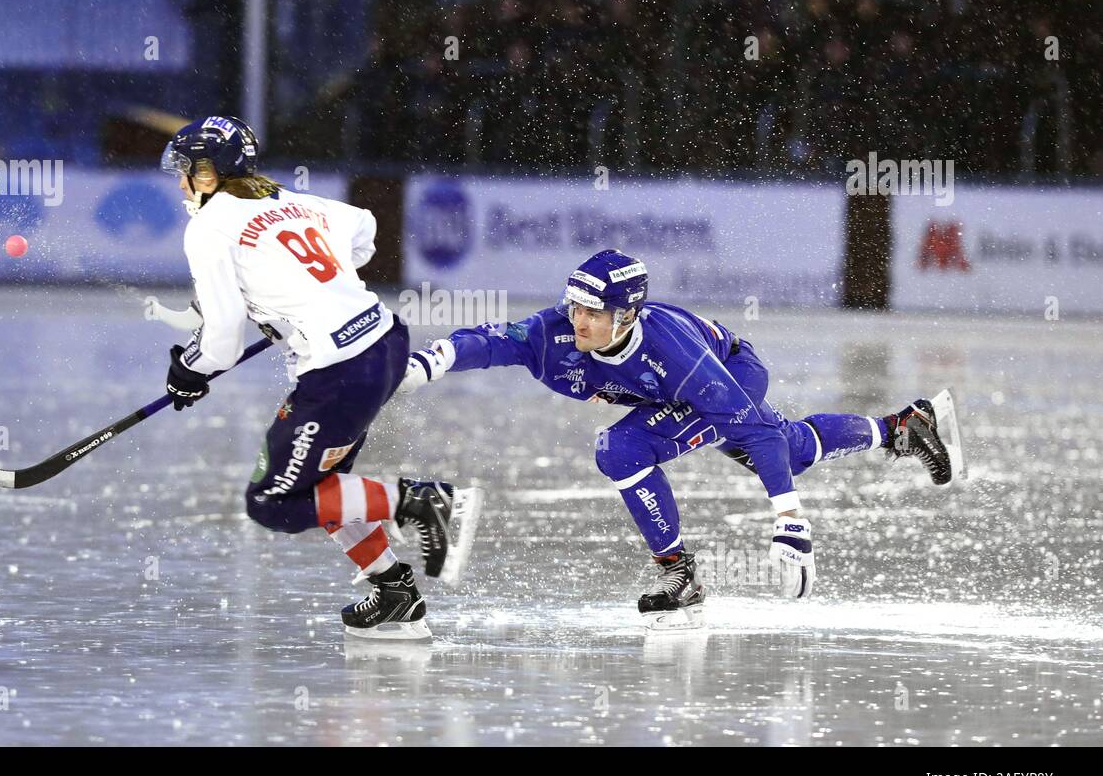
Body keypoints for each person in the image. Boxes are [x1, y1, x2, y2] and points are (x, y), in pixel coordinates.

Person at [399, 248, 961, 622]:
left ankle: (678, 574)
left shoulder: (676, 355)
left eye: (593, 312)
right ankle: (901, 428)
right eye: (575, 307)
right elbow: (485, 340)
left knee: (623, 448)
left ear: (627, 315)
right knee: (794, 448)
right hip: (665, 394)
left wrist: (790, 521)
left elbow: (756, 429)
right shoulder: (553, 335)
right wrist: (427, 363)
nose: (579, 322)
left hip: (728, 375)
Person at [159, 116, 480, 639]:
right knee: (327, 487)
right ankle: (395, 591)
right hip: (385, 343)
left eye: (187, 171)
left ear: (210, 171)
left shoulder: (209, 227)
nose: (181, 184)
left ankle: (423, 502)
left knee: (272, 504)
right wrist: (311, 291)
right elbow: (364, 228)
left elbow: (221, 342)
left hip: (340, 373)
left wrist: (187, 371)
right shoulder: (291, 199)